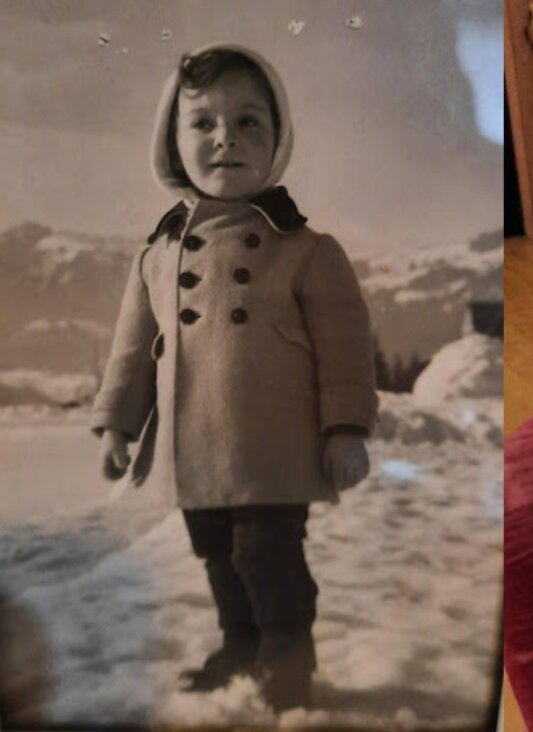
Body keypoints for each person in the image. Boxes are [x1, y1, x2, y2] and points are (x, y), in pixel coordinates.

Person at [91, 44, 377, 712]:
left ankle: (287, 657)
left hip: (271, 448)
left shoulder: (306, 250)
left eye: (250, 122)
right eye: (204, 123)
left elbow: (346, 346)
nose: (226, 138)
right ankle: (238, 641)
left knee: (266, 556)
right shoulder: (158, 254)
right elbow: (133, 349)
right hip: (195, 448)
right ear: (172, 141)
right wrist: (116, 422)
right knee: (216, 553)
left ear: (278, 141)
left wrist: (346, 428)